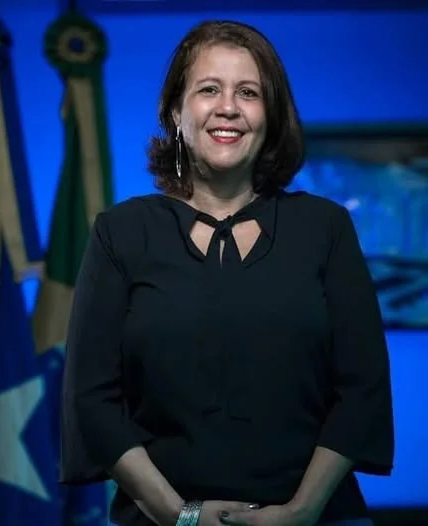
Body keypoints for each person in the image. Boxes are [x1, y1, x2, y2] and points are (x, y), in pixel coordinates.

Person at [60, 20, 394, 526]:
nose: (228, 108)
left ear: (270, 116)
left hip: (321, 516)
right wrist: (180, 515)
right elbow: (92, 398)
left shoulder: (325, 228)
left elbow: (363, 387)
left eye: (248, 93)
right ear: (176, 112)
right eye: (209, 89)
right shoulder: (120, 232)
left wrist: (301, 511)